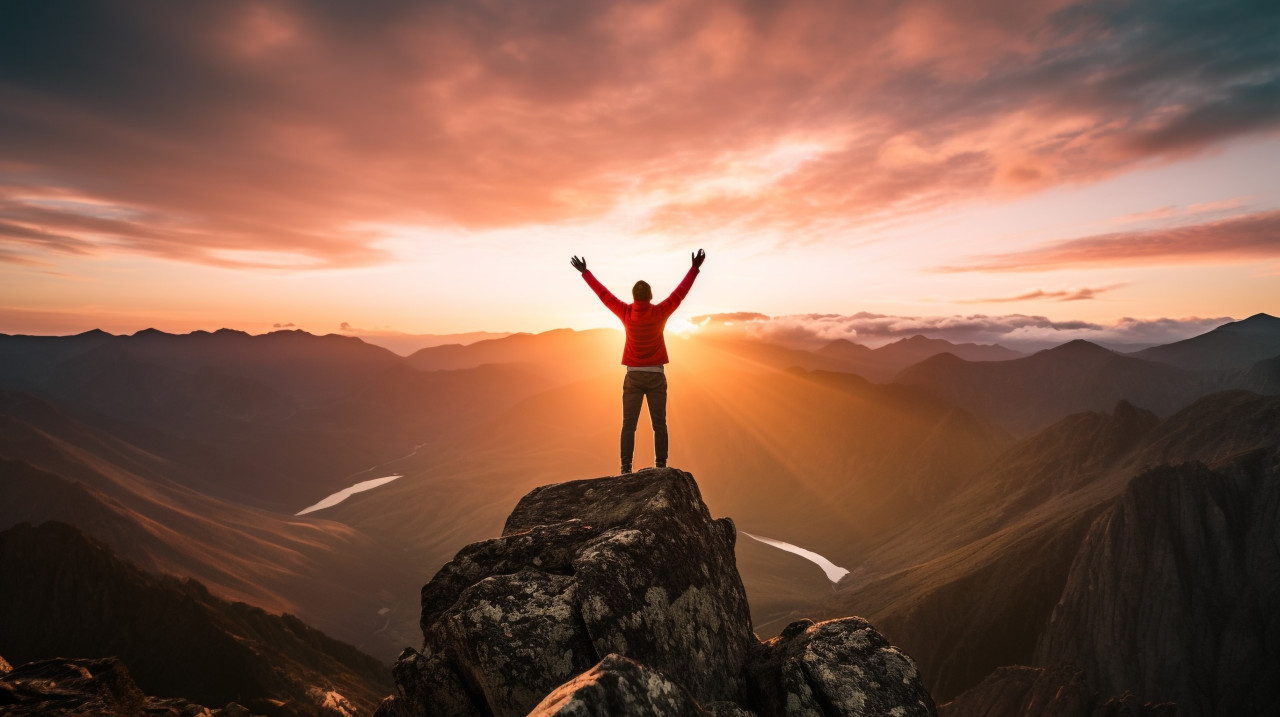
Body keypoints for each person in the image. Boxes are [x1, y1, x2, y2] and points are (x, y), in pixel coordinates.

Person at [571, 249, 705, 474]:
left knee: (628, 425)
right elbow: (680, 293)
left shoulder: (625, 311)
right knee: (659, 424)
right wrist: (694, 269)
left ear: (634, 297)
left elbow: (603, 295)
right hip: (656, 376)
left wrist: (585, 273)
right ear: (650, 296)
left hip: (633, 376)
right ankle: (661, 466)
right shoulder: (660, 311)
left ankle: (625, 468)